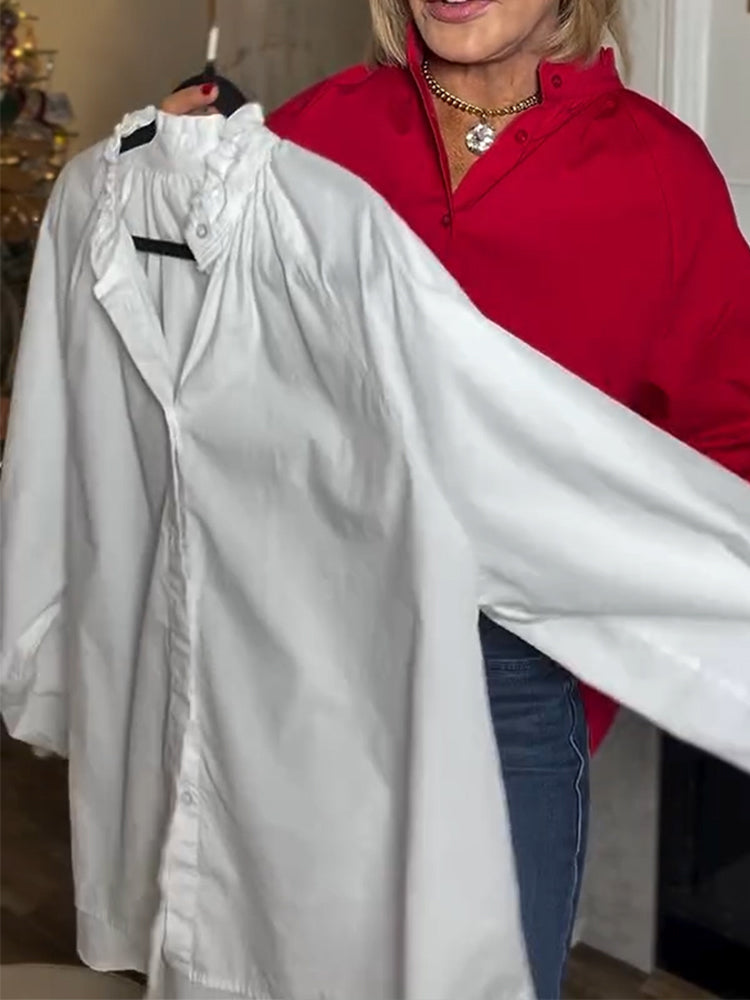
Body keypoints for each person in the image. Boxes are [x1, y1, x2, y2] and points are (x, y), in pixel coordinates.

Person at [162, 1, 750, 996]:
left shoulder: (661, 175)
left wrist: (600, 608)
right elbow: (207, 367)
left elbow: (728, 438)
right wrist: (176, 195)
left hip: (508, 681)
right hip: (298, 655)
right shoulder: (312, 133)